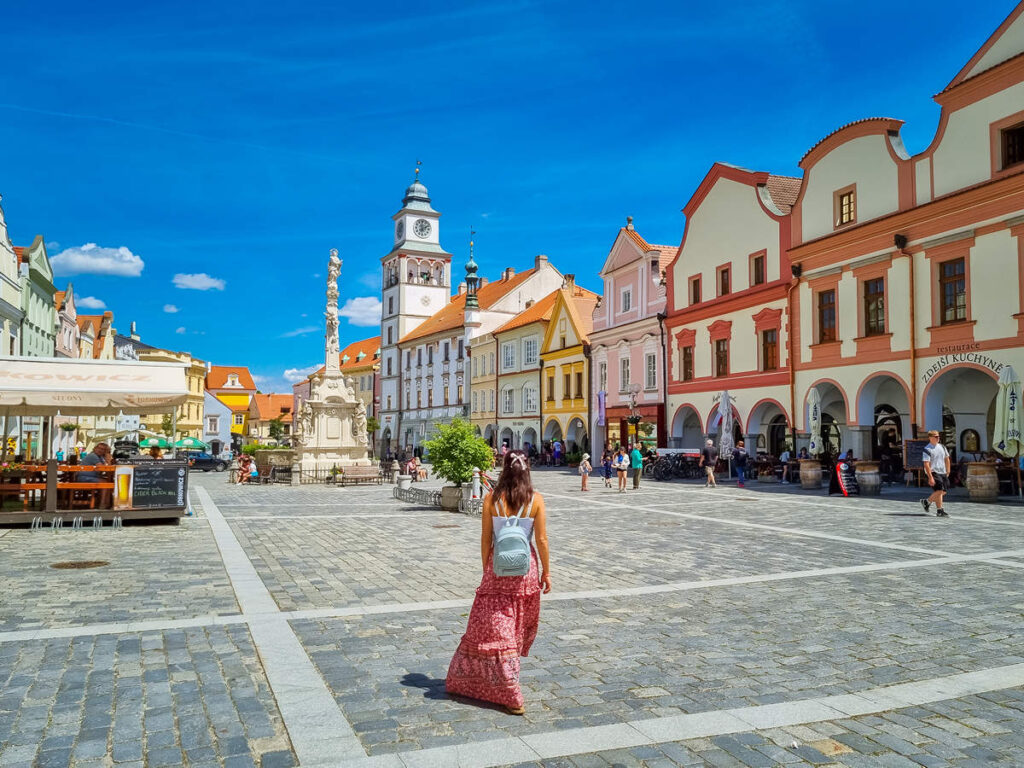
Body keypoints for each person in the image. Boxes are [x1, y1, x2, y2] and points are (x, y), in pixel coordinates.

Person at [446, 451, 550, 715]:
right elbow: (541, 541)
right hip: (525, 573)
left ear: (503, 470)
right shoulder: (535, 500)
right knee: (513, 632)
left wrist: (487, 568)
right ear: (527, 471)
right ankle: (508, 687)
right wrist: (546, 573)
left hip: (497, 570)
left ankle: (504, 688)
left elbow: (485, 539)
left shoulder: (492, 499)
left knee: (492, 630)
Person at [921, 429, 951, 517]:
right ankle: (939, 510)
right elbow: (926, 463)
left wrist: (948, 470)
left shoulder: (942, 447)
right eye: (936, 436)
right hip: (933, 471)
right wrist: (930, 477)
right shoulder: (927, 449)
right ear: (930, 438)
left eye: (938, 436)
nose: (938, 438)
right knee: (940, 490)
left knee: (943, 491)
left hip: (942, 471)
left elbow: (947, 458)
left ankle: (927, 502)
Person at [78, 443, 113, 507]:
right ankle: (102, 504)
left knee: (108, 483)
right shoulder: (93, 456)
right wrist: (108, 460)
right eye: (99, 448)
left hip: (89, 477)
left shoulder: (100, 457)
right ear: (95, 448)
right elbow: (102, 468)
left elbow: (104, 469)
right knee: (105, 484)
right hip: (84, 478)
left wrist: (107, 459)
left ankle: (105, 503)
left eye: (103, 449)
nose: (100, 450)